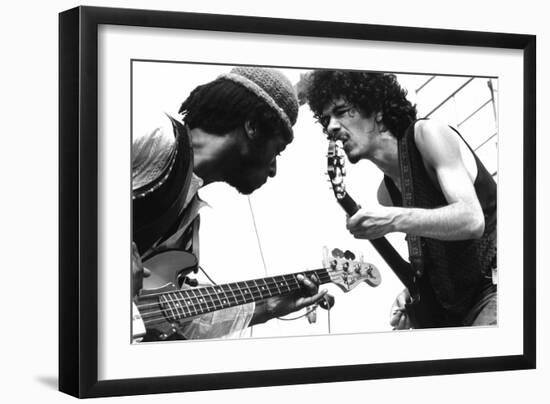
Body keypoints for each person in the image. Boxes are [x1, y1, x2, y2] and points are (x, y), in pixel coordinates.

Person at [132, 66, 328, 340]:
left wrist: (269, 307)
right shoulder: (154, 135)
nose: (273, 169)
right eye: (277, 151)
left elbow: (175, 319)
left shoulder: (188, 231)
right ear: (253, 126)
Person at [304, 70, 497, 329]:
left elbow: (471, 221)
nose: (331, 127)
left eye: (341, 111)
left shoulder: (428, 135)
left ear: (376, 110)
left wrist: (394, 219)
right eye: (326, 118)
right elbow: (436, 255)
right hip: (457, 311)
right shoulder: (385, 194)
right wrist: (416, 296)